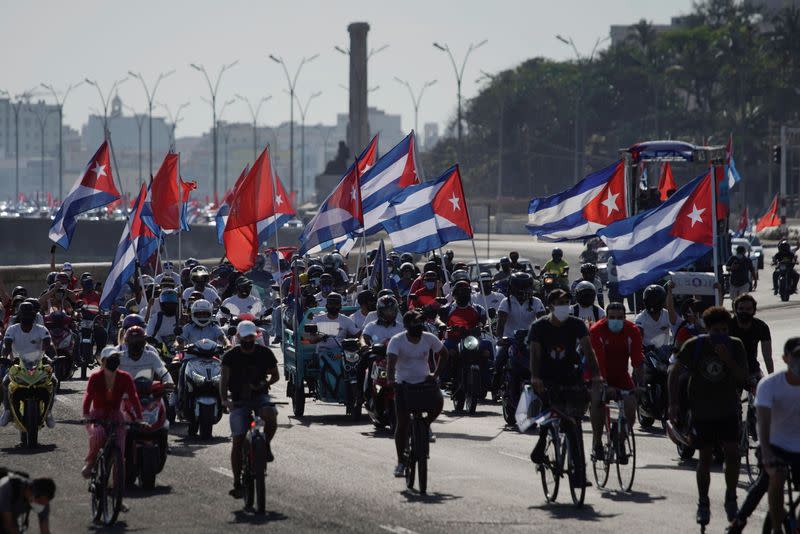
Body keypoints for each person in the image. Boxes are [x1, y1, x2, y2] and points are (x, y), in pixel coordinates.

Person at [668, 306, 748, 527]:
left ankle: (731, 497)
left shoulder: (736, 345)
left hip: (728, 409)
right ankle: (703, 502)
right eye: (715, 330)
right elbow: (675, 371)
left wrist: (728, 359)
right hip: (702, 411)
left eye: (724, 329)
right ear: (707, 328)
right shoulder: (695, 345)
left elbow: (743, 378)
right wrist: (674, 403)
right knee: (704, 456)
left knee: (732, 453)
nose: (720, 333)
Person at [529, 289, 603, 487]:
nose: (564, 305)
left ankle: (580, 472)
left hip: (571, 376)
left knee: (574, 423)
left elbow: (588, 351)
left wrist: (596, 376)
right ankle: (542, 442)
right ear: (551, 305)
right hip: (547, 379)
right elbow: (535, 355)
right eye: (559, 302)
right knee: (548, 416)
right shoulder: (539, 326)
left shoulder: (577, 324)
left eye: (566, 302)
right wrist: (535, 377)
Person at [727, 337, 800, 533]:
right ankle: (770, 526)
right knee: (774, 477)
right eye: (797, 357)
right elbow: (763, 423)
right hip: (774, 443)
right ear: (785, 359)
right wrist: (767, 453)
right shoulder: (770, 385)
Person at [220, 320, 280, 498]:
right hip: (238, 400)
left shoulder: (265, 353)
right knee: (238, 441)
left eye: (251, 337)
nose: (248, 340)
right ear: (238, 337)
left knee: (270, 413)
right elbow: (223, 380)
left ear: (256, 337)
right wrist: (225, 400)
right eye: (245, 337)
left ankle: (266, 446)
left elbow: (275, 375)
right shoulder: (230, 356)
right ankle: (237, 481)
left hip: (259, 397)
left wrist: (264, 383)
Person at [386, 310, 448, 477]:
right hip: (403, 385)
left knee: (438, 403)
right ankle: (400, 462)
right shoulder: (397, 341)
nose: (418, 326)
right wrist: (391, 380)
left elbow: (444, 353)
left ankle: (425, 425)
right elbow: (390, 363)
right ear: (406, 326)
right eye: (415, 323)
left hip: (425, 383)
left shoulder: (429, 338)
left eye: (420, 323)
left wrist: (435, 375)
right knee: (403, 423)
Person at [82, 346, 143, 478]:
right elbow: (88, 396)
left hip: (116, 415)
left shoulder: (125, 377)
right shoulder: (95, 377)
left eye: (116, 358)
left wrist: (139, 417)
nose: (114, 361)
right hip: (97, 415)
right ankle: (91, 462)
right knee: (98, 434)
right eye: (111, 359)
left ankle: (117, 482)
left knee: (120, 447)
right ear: (103, 361)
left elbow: (133, 397)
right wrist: (86, 415)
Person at [589, 302, 643, 445]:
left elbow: (637, 361)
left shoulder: (633, 330)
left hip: (621, 375)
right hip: (598, 375)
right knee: (597, 402)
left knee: (631, 406)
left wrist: (640, 385)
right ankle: (597, 441)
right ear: (606, 318)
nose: (616, 321)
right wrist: (604, 385)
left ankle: (620, 440)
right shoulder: (596, 330)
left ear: (625, 317)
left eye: (620, 318)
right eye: (612, 317)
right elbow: (598, 360)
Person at [0, 302, 56, 429]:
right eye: (24, 314)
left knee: (53, 381)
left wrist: (52, 357)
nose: (26, 317)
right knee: (5, 382)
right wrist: (4, 357)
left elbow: (49, 344)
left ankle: (48, 413)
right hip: (17, 364)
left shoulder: (42, 329)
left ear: (33, 315)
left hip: (39, 362)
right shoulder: (12, 329)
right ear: (19, 315)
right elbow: (7, 346)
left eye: (29, 314)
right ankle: (7, 411)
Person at [493, 272, 545, 386]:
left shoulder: (536, 302)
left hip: (529, 341)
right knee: (500, 359)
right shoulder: (506, 302)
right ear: (513, 288)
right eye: (521, 287)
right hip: (510, 340)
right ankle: (496, 383)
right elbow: (501, 323)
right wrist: (500, 338)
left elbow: (543, 321)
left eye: (527, 287)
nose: (524, 290)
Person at [727, 294, 773, 379]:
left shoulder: (761, 327)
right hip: (729, 370)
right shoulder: (727, 326)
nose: (744, 312)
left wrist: (772, 379)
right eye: (741, 309)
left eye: (748, 309)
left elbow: (767, 356)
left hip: (752, 370)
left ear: (754, 311)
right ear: (735, 310)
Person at [634, 283, 678, 349]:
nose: (653, 303)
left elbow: (676, 330)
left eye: (655, 300)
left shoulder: (667, 315)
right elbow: (638, 338)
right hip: (646, 351)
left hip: (665, 351)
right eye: (651, 300)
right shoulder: (640, 318)